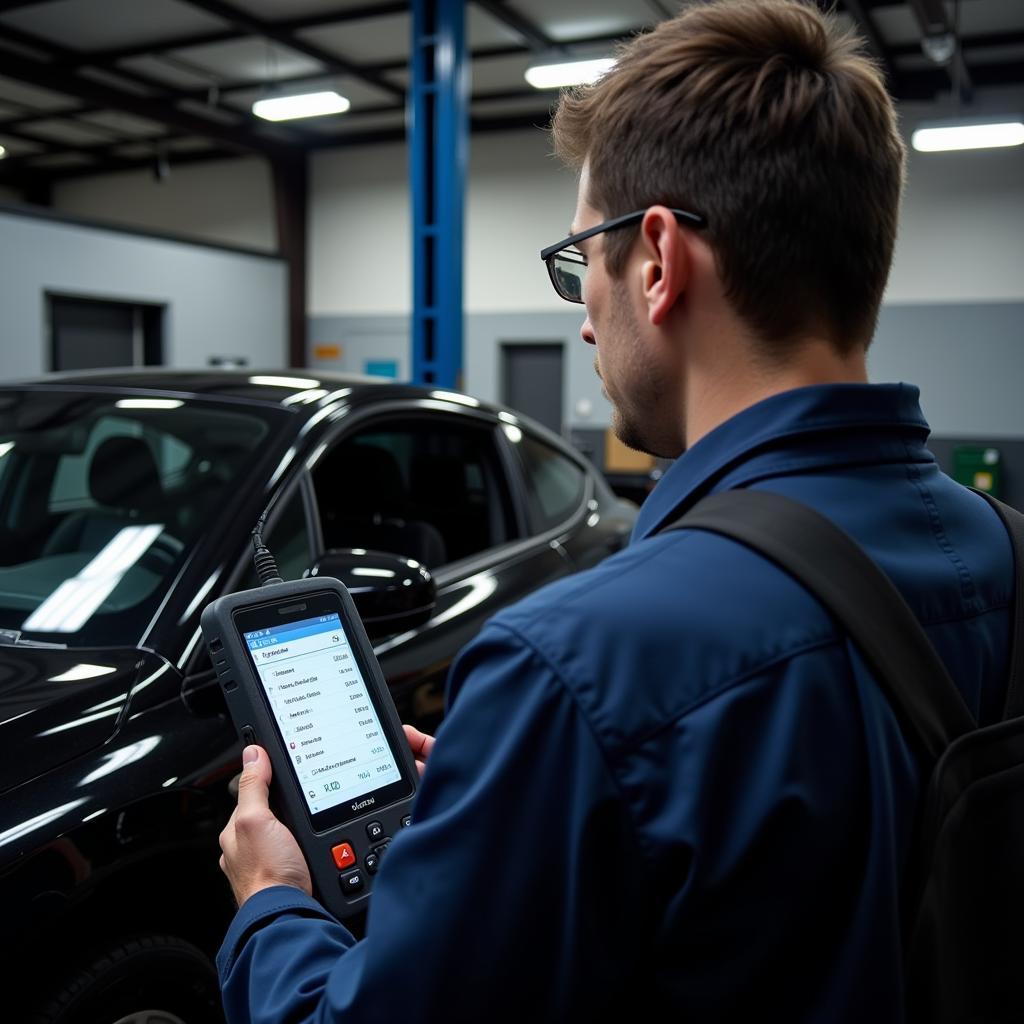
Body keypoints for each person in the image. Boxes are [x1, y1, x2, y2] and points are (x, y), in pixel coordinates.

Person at [217, 1, 1013, 1020]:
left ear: (655, 260)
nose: (586, 315)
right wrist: (534, 775)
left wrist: (272, 905)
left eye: (577, 262)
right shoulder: (1007, 558)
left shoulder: (576, 665)